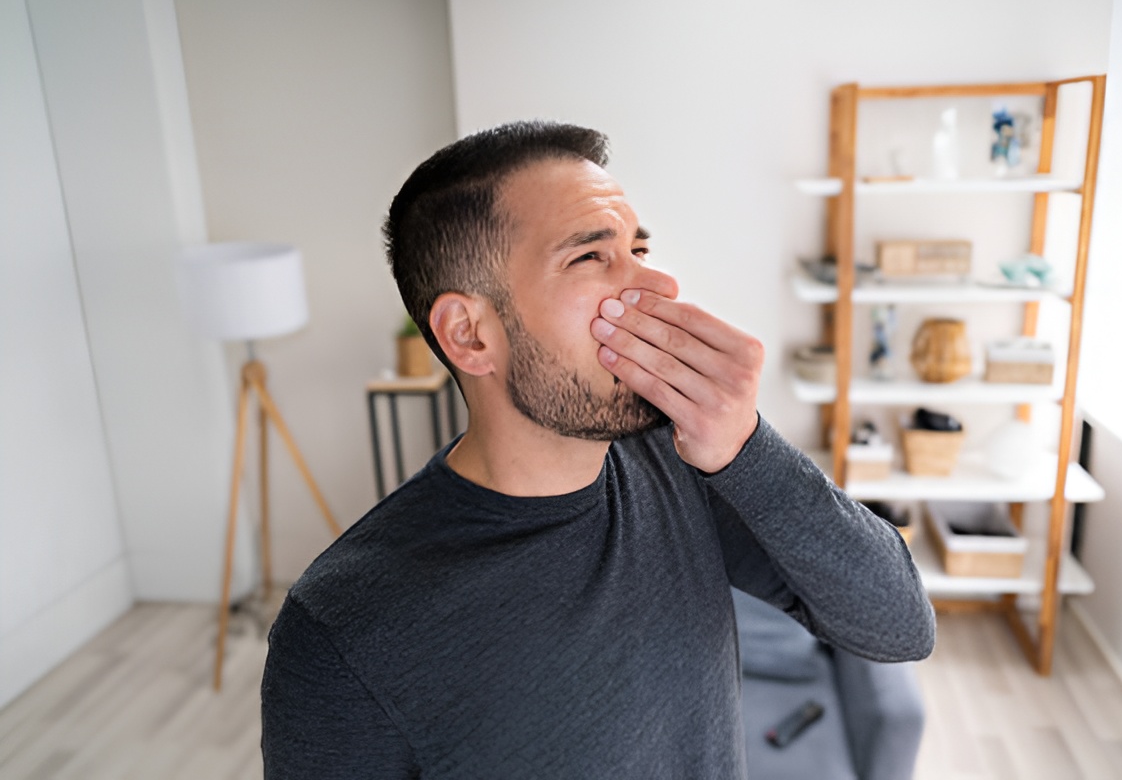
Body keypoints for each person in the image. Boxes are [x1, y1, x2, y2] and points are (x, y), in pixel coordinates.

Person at [260, 121, 935, 778]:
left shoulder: (678, 465)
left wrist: (747, 448)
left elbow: (900, 626)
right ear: (468, 334)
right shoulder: (342, 630)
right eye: (590, 256)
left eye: (638, 250)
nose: (655, 285)